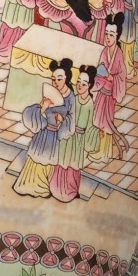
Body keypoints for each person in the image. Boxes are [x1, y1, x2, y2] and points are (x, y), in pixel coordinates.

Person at [14, 58, 76, 199]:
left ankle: (42, 188)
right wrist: (43, 108)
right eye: (53, 79)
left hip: (56, 135)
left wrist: (62, 120)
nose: (56, 82)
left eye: (59, 79)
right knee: (35, 159)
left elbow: (72, 120)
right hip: (43, 132)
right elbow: (41, 111)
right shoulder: (51, 92)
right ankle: (29, 186)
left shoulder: (71, 98)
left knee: (48, 161)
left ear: (66, 78)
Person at [51, 65, 100, 202]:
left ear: (89, 85)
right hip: (68, 135)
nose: (79, 86)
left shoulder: (90, 104)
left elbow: (90, 125)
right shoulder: (73, 99)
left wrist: (95, 133)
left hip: (78, 139)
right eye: (78, 82)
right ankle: (56, 189)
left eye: (83, 84)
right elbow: (66, 114)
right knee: (62, 162)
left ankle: (71, 191)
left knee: (73, 165)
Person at [90, 14, 129, 164]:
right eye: (106, 34)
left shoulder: (118, 54)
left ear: (117, 36)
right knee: (99, 121)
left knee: (107, 123)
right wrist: (98, 80)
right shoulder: (104, 52)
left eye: (111, 34)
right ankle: (99, 149)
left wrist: (112, 78)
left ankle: (105, 153)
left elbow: (122, 75)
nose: (108, 37)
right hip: (102, 93)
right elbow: (99, 71)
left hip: (110, 94)